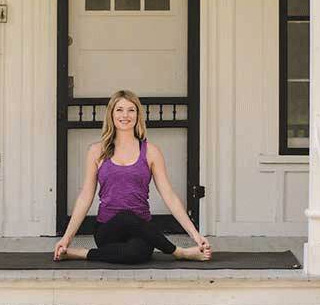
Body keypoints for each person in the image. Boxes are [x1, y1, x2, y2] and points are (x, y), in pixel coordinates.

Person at [54, 90, 211, 264]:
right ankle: (179, 252)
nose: (125, 115)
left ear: (138, 115)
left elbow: (169, 195)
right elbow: (85, 196)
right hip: (108, 229)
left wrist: (195, 235)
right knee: (126, 217)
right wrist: (66, 238)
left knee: (136, 254)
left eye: (131, 110)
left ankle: (80, 253)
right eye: (119, 110)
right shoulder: (96, 151)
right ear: (111, 114)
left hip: (142, 228)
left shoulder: (151, 152)